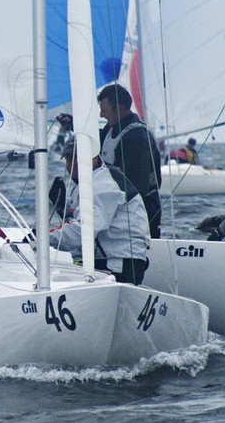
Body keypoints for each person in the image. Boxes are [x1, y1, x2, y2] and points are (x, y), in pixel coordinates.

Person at [48, 140, 150, 284]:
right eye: (69, 158)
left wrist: (43, 238)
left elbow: (83, 232)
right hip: (106, 260)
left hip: (120, 265)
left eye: (78, 157)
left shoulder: (103, 185)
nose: (73, 163)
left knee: (52, 276)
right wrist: (62, 208)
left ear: (94, 157)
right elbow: (83, 223)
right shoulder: (91, 179)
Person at [96, 83, 163, 239]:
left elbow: (136, 185)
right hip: (117, 208)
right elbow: (95, 143)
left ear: (119, 108)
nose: (101, 115)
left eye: (104, 110)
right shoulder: (111, 128)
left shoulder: (137, 137)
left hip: (141, 211)